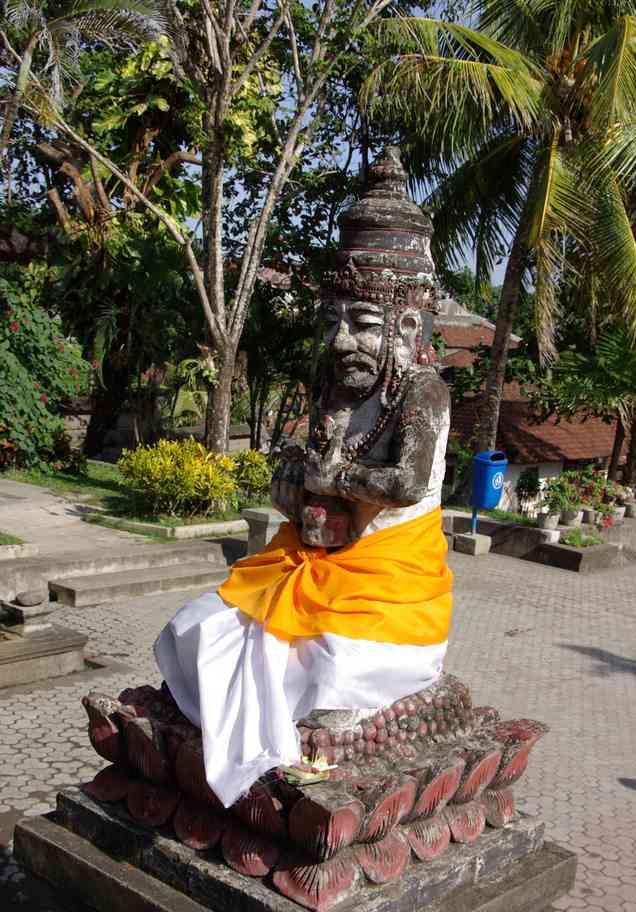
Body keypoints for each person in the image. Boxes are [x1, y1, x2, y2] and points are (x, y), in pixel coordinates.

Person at [154, 148, 454, 807]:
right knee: (202, 623)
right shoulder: (334, 389)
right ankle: (206, 732)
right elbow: (301, 476)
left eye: (365, 324)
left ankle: (282, 761)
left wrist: (335, 475)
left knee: (331, 669)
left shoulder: (424, 394)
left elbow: (406, 483)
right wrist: (293, 490)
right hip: (308, 564)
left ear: (407, 326)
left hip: (383, 589)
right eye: (335, 322)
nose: (345, 340)